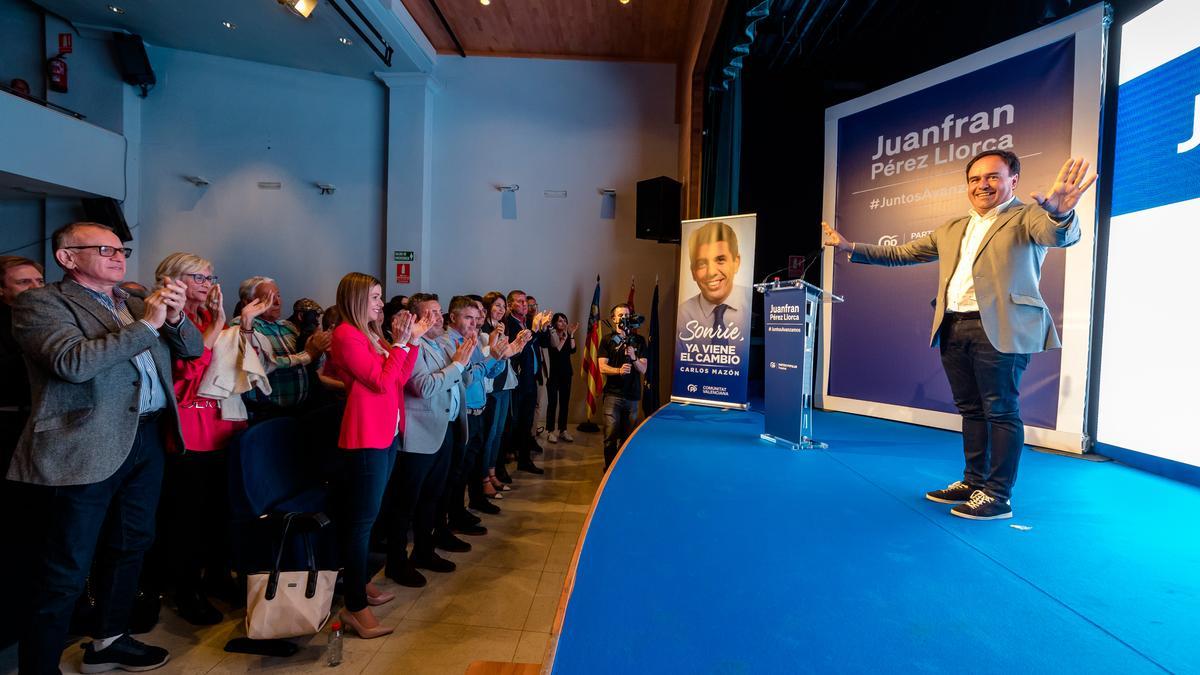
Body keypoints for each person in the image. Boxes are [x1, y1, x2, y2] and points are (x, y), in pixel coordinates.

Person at [822, 152, 1096, 520]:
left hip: (1000, 326)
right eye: (975, 179)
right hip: (954, 325)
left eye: (993, 177)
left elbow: (1058, 234)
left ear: (1013, 180)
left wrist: (1060, 212)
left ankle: (998, 495)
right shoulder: (952, 228)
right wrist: (848, 247)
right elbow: (902, 253)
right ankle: (973, 481)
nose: (982, 184)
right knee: (971, 409)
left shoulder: (1028, 216)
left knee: (1000, 410)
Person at [9, 222, 202, 673]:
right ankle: (39, 666)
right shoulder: (41, 303)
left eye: (122, 249)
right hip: (85, 442)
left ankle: (109, 640)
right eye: (104, 249)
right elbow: (71, 363)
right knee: (67, 566)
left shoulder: (132, 301)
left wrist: (173, 318)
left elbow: (190, 349)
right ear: (67, 258)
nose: (119, 257)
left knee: (132, 543)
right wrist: (149, 324)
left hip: (146, 437)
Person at [328, 273, 425, 639]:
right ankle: (354, 606)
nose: (380, 304)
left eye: (381, 297)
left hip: (386, 431)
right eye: (373, 297)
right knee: (360, 523)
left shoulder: (371, 334)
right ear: (355, 300)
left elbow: (398, 379)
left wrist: (409, 343)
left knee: (369, 517)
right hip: (365, 436)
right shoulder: (345, 335)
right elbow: (380, 381)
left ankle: (361, 581)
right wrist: (401, 345)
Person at [385, 293, 474, 588]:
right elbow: (423, 387)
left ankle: (424, 551)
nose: (438, 318)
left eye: (439, 312)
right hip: (418, 435)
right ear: (415, 319)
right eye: (430, 314)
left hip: (443, 428)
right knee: (405, 504)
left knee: (432, 498)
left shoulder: (439, 344)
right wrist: (457, 366)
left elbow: (461, 380)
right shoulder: (415, 346)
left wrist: (465, 363)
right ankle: (396, 563)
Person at [443, 296, 517, 536]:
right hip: (463, 413)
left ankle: (463, 509)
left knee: (469, 466)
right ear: (453, 317)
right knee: (457, 470)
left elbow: (488, 373)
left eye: (477, 318)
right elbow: (466, 377)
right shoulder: (450, 343)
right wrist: (488, 360)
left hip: (479, 407)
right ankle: (453, 516)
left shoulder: (470, 340)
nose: (475, 323)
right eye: (468, 317)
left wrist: (500, 355)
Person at [229, 276, 330, 416]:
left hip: (300, 409)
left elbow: (315, 363)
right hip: (265, 412)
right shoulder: (240, 326)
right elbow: (263, 364)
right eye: (268, 298)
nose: (277, 302)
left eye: (278, 295)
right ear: (248, 302)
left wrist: (318, 348)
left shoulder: (288, 327)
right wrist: (307, 355)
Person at [675, 221, 751, 355]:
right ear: (693, 271)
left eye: (720, 260)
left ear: (736, 262)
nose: (711, 272)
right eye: (702, 264)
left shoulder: (751, 303)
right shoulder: (683, 314)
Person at [0, 256, 44, 473]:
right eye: (24, 282)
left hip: (41, 422)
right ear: (2, 290)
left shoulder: (51, 319)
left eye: (40, 281)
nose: (36, 288)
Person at [502, 290, 551, 474]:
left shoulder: (526, 323)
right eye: (520, 302)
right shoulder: (510, 324)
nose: (524, 305)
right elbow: (519, 349)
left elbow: (539, 343)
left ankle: (524, 460)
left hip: (530, 379)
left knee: (526, 422)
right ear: (510, 305)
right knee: (513, 423)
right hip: (518, 381)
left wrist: (541, 329)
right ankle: (504, 461)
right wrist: (535, 330)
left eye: (525, 302)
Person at [479, 291, 520, 495]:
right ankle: (484, 477)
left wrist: (517, 343)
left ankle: (493, 472)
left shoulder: (500, 328)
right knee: (490, 433)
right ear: (487, 308)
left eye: (503, 306)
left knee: (499, 433)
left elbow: (505, 355)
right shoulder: (483, 329)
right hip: (490, 386)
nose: (501, 309)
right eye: (497, 305)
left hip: (504, 384)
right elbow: (488, 355)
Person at [598, 304, 647, 470]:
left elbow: (643, 369)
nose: (624, 318)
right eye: (620, 315)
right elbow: (602, 367)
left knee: (627, 438)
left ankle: (621, 469)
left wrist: (633, 357)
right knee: (610, 436)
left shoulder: (639, 341)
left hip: (632, 396)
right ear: (613, 318)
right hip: (612, 395)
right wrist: (618, 370)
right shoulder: (607, 340)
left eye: (627, 315)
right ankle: (609, 468)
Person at [545, 312, 578, 444]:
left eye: (564, 321)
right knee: (552, 403)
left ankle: (563, 430)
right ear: (554, 323)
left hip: (566, 373)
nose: (563, 323)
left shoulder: (568, 335)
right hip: (553, 374)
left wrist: (572, 334)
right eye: (560, 321)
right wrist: (564, 338)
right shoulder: (551, 335)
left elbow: (573, 350)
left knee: (565, 403)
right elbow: (556, 351)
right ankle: (550, 431)